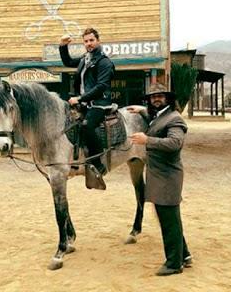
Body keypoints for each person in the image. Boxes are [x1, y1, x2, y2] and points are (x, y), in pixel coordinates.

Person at [128, 83, 192, 276]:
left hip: (167, 176)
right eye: (152, 96)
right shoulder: (161, 116)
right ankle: (185, 255)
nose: (156, 99)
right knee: (170, 219)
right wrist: (141, 110)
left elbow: (175, 143)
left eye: (160, 96)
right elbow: (157, 123)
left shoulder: (175, 119)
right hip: (159, 176)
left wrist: (147, 140)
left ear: (168, 98)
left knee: (169, 220)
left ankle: (174, 264)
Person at [59, 28, 115, 190]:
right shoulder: (86, 58)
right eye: (86, 41)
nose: (89, 44)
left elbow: (101, 86)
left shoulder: (104, 62)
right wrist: (63, 46)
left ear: (98, 41)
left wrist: (80, 98)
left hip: (99, 103)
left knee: (87, 126)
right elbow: (68, 62)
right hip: (84, 103)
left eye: (91, 40)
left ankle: (98, 164)